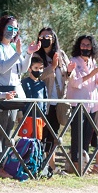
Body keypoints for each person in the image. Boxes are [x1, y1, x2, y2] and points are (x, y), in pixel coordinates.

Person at [0, 15, 40, 170]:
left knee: (8, 132)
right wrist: (17, 54)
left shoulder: (12, 47)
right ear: (2, 27)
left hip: (14, 93)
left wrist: (28, 53)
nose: (13, 31)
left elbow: (22, 69)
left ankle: (4, 165)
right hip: (1, 94)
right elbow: (1, 68)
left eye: (16, 28)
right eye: (10, 27)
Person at [34, 27, 75, 175]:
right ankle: (42, 165)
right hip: (43, 101)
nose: (45, 38)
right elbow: (36, 75)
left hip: (59, 100)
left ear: (53, 38)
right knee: (42, 134)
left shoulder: (61, 54)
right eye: (42, 36)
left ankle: (51, 166)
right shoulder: (36, 55)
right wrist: (52, 67)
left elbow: (67, 76)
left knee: (54, 134)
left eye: (48, 36)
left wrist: (69, 71)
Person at [67, 35, 98, 172]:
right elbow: (74, 83)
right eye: (83, 44)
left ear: (92, 48)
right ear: (78, 46)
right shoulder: (73, 61)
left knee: (87, 135)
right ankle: (74, 163)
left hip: (92, 105)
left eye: (88, 45)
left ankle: (83, 162)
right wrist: (92, 74)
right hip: (78, 104)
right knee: (76, 135)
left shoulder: (93, 61)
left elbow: (96, 84)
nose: (85, 47)